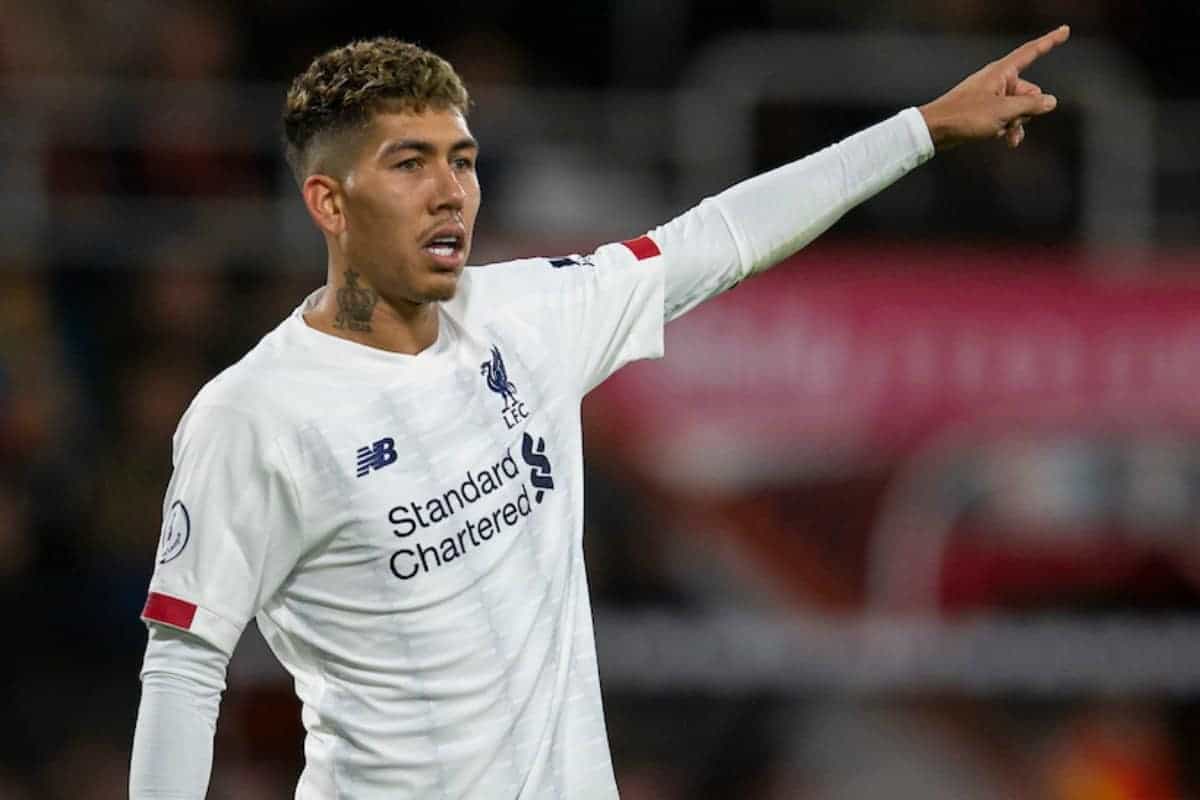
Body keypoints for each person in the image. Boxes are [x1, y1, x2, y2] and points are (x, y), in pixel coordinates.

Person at [129, 26, 1070, 799]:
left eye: (461, 159)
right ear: (328, 201)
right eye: (409, 164)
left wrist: (921, 129)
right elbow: (183, 665)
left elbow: (716, 238)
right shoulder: (250, 417)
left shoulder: (527, 316)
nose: (449, 190)